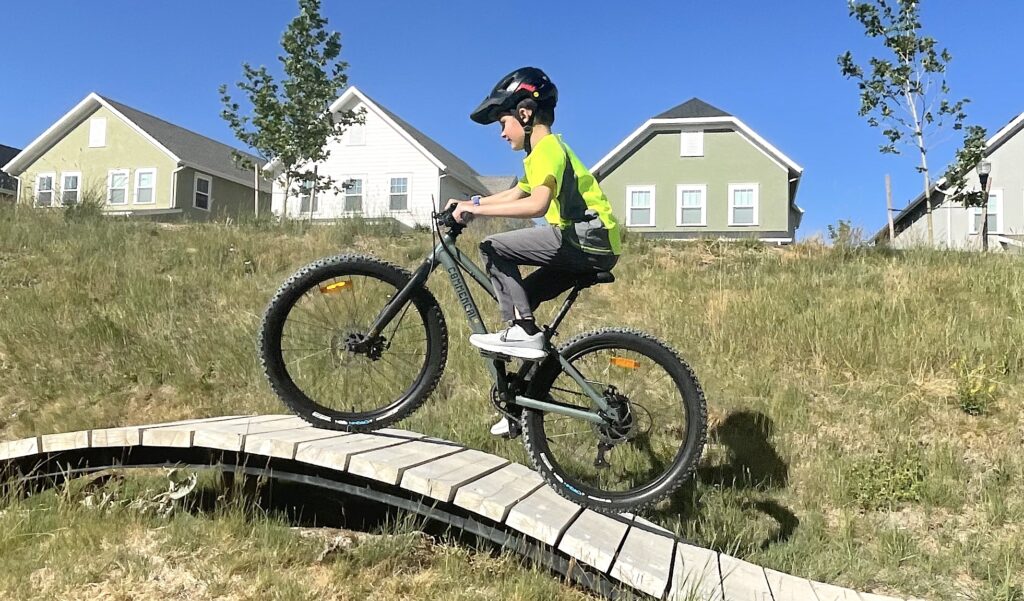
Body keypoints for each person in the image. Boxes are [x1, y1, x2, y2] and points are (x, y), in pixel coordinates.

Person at [446, 67, 623, 436]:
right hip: (586, 242)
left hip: (586, 238)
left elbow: (537, 205)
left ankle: (523, 331)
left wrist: (475, 213)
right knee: (521, 298)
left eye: (502, 121)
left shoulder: (548, 148)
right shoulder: (541, 153)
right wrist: (471, 201)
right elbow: (517, 193)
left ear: (524, 114)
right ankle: (519, 403)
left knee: (493, 247)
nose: (500, 132)